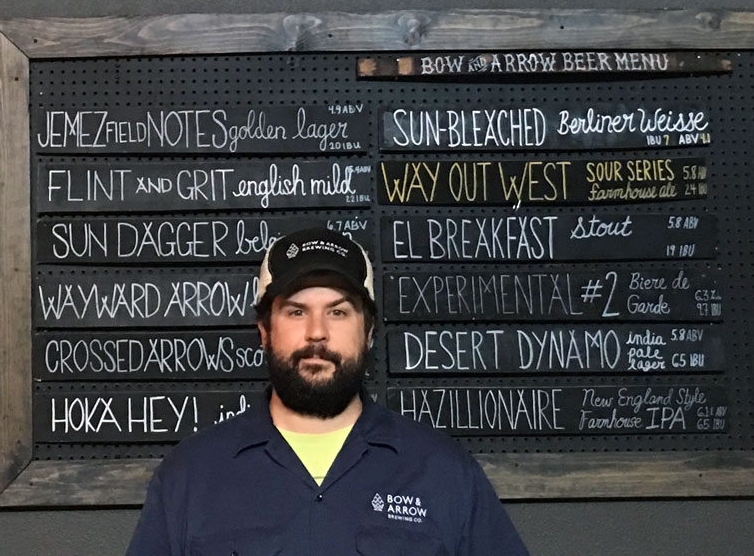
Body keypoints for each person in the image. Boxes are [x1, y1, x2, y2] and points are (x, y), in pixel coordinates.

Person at [127, 227, 529, 555]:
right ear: (264, 331)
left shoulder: (442, 471)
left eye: (338, 312)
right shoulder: (191, 476)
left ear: (368, 331)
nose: (316, 332)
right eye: (296, 311)